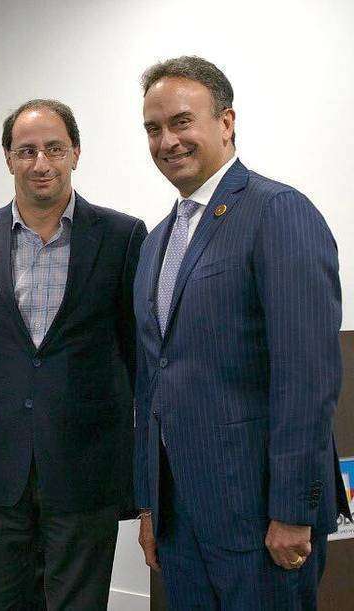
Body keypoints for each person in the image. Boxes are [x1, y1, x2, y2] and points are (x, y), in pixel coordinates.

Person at [133, 55, 350, 609]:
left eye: (182, 121)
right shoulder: (157, 240)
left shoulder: (279, 212)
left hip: (259, 518)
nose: (167, 141)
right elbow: (152, 381)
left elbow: (308, 377)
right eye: (153, 128)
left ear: (226, 122)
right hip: (181, 518)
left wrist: (293, 510)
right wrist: (150, 505)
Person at [0, 99, 146, 609]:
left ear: (76, 153)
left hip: (86, 464)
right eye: (27, 150)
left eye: (54, 149)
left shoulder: (124, 237)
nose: (41, 163)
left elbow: (133, 350)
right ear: (8, 158)